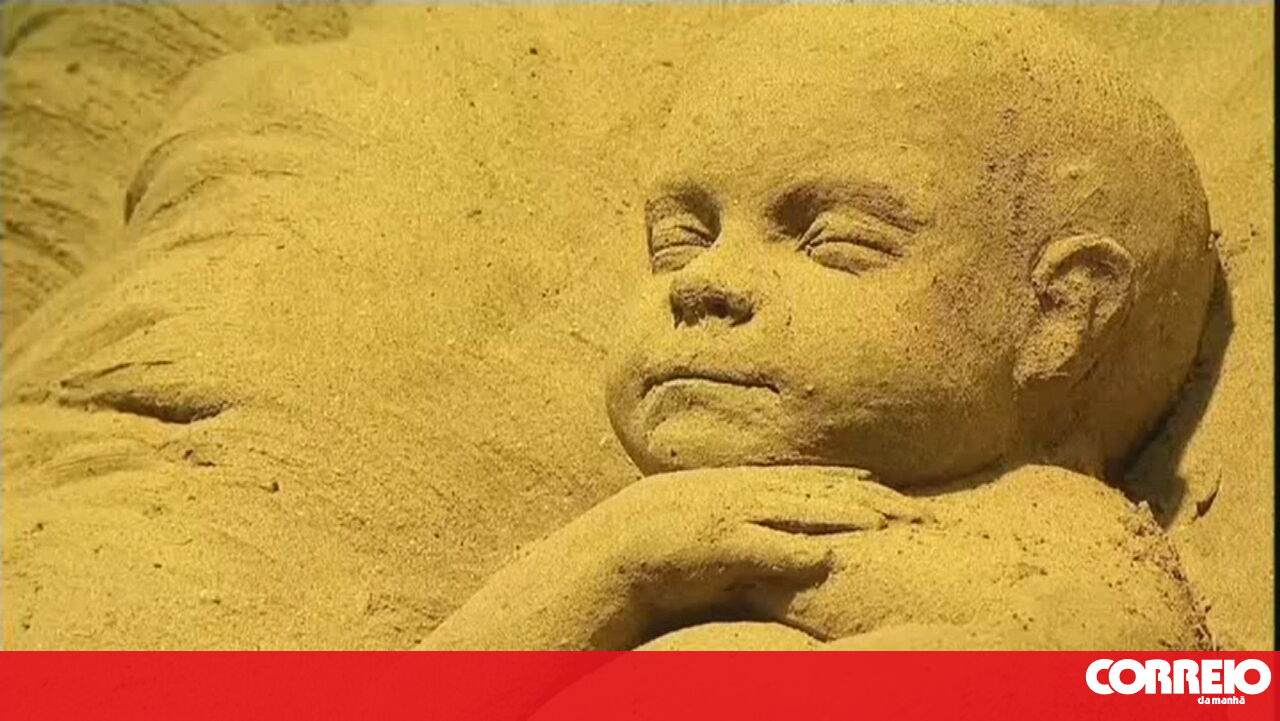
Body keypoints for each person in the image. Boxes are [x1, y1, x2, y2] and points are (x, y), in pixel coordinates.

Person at [419, 6, 1216, 652]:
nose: (703, 284)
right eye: (680, 241)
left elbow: (1131, 672)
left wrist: (774, 564)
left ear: (1062, 315)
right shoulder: (635, 536)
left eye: (832, 242)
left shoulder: (1048, 538)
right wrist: (617, 557)